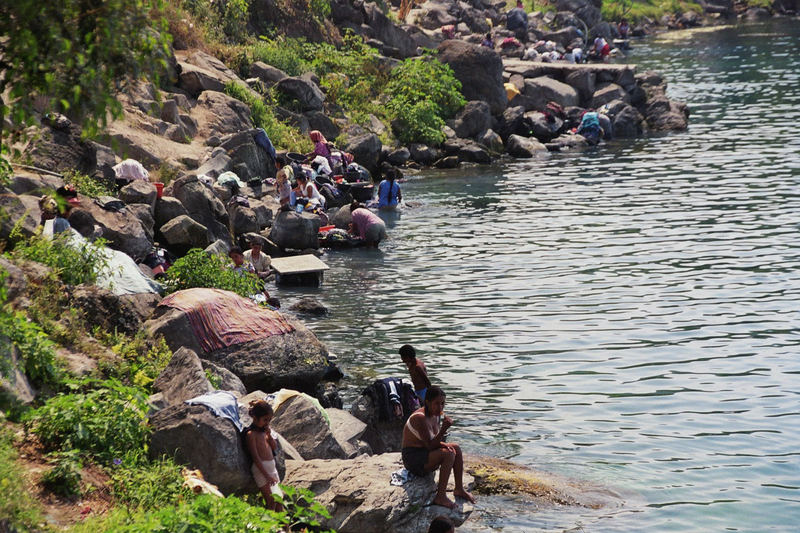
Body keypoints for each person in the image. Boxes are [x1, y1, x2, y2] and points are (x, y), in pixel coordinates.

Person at [401, 386, 476, 509]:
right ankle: (440, 496)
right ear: (427, 402)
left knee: (455, 447)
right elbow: (430, 445)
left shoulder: (436, 414)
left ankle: (459, 489)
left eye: (442, 404)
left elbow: (434, 442)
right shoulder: (420, 417)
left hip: (425, 452)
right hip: (413, 459)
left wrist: (445, 444)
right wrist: (444, 429)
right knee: (448, 454)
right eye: (436, 404)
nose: (440, 408)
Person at [244, 400, 282, 510]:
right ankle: (267, 526)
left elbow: (274, 447)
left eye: (269, 420)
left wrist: (269, 436)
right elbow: (255, 457)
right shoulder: (251, 434)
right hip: (261, 470)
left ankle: (285, 527)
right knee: (271, 500)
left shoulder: (264, 432)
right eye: (265, 420)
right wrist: (267, 475)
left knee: (279, 500)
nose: (267, 423)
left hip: (272, 469)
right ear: (255, 418)